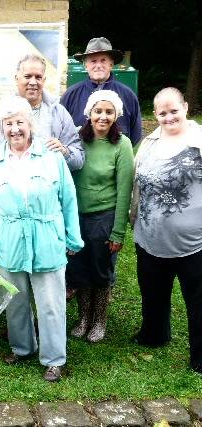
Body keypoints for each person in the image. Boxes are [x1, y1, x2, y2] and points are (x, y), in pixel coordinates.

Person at [0, 96, 83, 382]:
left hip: (47, 240)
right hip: (11, 241)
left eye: (20, 122)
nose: (14, 129)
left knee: (50, 303)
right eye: (8, 123)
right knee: (15, 300)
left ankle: (53, 359)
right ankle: (22, 347)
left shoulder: (51, 156)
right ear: (2, 127)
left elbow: (68, 199)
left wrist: (73, 239)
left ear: (31, 124)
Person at [130, 87, 202, 375]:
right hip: (149, 237)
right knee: (152, 292)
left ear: (185, 107)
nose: (168, 116)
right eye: (162, 112)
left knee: (197, 300)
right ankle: (154, 334)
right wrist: (133, 217)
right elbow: (137, 183)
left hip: (194, 242)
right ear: (155, 114)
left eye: (174, 110)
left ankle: (200, 356)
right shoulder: (150, 142)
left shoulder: (199, 141)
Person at [66, 90, 134, 342]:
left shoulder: (122, 144)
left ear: (116, 115)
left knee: (100, 270)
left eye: (108, 112)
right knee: (79, 268)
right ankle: (84, 318)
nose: (103, 117)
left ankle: (99, 320)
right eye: (98, 111)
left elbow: (124, 190)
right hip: (77, 217)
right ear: (89, 113)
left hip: (103, 217)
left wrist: (118, 231)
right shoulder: (77, 139)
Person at [60, 37, 142, 145]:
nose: (98, 65)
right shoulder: (70, 95)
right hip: (80, 160)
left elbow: (135, 136)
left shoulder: (128, 95)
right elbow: (60, 132)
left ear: (111, 64)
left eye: (103, 60)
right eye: (93, 61)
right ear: (85, 65)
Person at [14, 54, 84, 172]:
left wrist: (64, 152)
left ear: (44, 80)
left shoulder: (59, 113)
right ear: (16, 78)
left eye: (38, 77)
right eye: (27, 76)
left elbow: (79, 160)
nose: (33, 82)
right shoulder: (4, 113)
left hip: (50, 187)